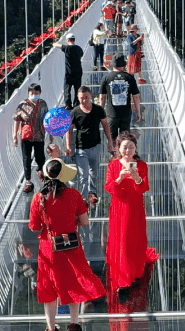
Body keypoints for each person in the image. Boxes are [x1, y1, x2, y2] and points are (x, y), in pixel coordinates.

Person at [29, 158, 106, 331]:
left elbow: (34, 227)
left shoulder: (38, 199)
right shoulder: (74, 194)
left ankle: (51, 327)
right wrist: (71, 221)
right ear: (63, 176)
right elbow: (85, 221)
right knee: (74, 282)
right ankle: (74, 323)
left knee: (49, 288)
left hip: (49, 248)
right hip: (71, 245)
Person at [105, 132, 160, 295]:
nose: (128, 150)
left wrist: (137, 178)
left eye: (131, 147)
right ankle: (123, 276)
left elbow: (144, 188)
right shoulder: (113, 165)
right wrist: (120, 178)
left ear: (135, 148)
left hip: (135, 207)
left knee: (135, 237)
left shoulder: (141, 165)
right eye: (125, 147)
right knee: (121, 238)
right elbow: (109, 188)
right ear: (119, 149)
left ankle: (135, 270)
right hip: (120, 207)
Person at [67, 86, 113, 209]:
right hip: (81, 147)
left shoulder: (98, 110)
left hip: (95, 145)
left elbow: (106, 126)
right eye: (81, 98)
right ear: (78, 98)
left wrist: (110, 142)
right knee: (84, 174)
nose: (84, 100)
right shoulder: (75, 112)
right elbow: (69, 130)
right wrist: (69, 146)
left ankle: (92, 193)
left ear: (91, 96)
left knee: (94, 172)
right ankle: (84, 197)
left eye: (86, 97)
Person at [13, 83, 50, 193]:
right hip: (26, 136)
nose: (34, 95)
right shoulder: (23, 104)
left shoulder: (43, 104)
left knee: (40, 156)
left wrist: (50, 133)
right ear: (28, 93)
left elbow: (47, 119)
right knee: (26, 158)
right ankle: (28, 180)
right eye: (31, 93)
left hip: (39, 134)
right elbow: (17, 120)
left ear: (40, 92)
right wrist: (15, 135)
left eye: (36, 93)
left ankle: (41, 171)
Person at [99, 55, 141, 137]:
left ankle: (113, 150)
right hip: (126, 113)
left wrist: (101, 113)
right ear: (123, 65)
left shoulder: (106, 78)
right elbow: (136, 96)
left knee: (112, 139)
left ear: (113, 65)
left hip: (111, 114)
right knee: (124, 138)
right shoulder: (129, 77)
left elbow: (102, 98)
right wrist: (138, 112)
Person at [53, 33, 84, 109]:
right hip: (78, 72)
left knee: (67, 88)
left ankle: (68, 105)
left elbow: (57, 45)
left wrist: (55, 43)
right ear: (74, 40)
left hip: (69, 73)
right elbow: (81, 54)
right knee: (77, 89)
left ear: (67, 40)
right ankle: (76, 104)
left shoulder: (67, 48)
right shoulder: (79, 48)